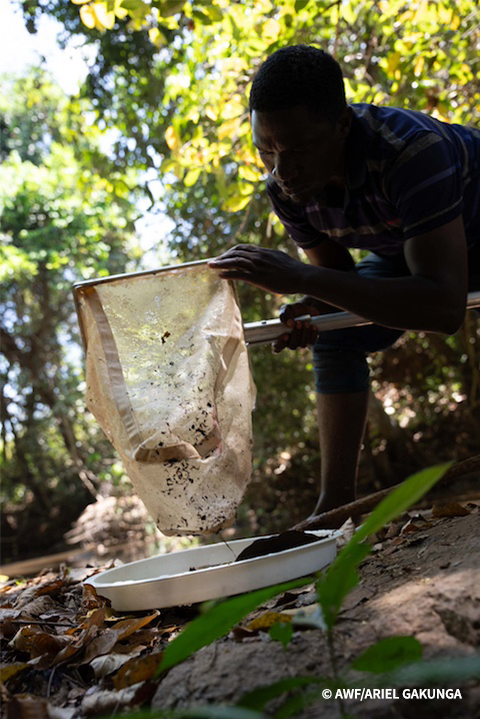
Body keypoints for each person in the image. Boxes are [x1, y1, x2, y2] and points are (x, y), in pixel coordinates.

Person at [208, 44, 480, 517]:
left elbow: (443, 308)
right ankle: (335, 510)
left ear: (341, 125)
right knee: (335, 338)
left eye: (297, 152)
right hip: (421, 257)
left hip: (459, 248)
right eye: (265, 151)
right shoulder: (285, 187)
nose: (281, 170)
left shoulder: (410, 153)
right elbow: (336, 279)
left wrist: (297, 276)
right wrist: (314, 306)